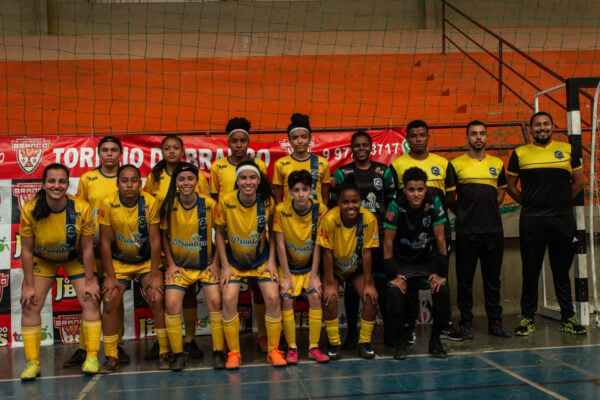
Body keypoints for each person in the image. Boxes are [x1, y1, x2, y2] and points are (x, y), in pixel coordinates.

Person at [506, 111, 586, 336]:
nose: (542, 128)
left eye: (546, 124)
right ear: (531, 129)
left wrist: (561, 201)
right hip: (532, 221)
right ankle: (527, 318)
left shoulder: (568, 150)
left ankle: (568, 318)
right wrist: (528, 202)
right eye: (537, 125)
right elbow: (510, 185)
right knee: (530, 271)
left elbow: (579, 182)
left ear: (553, 126)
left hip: (561, 220)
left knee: (561, 272)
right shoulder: (520, 153)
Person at [19, 164, 102, 380]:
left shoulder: (81, 208)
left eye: (62, 181)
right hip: (44, 260)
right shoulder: (30, 209)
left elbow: (86, 248)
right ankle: (32, 363)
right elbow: (26, 251)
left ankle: (92, 357)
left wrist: (91, 281)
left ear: (67, 184)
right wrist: (28, 285)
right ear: (44, 184)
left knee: (91, 299)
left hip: (73, 258)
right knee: (30, 303)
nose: (57, 186)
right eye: (52, 181)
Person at [383, 119, 462, 342]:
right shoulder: (397, 165)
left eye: (422, 135)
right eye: (414, 136)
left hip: (437, 229)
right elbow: (391, 199)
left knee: (440, 281)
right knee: (410, 283)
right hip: (407, 236)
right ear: (407, 139)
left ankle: (444, 327)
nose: (418, 139)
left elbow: (447, 197)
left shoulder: (443, 163)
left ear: (428, 137)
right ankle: (408, 328)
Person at [65, 136, 130, 369]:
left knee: (114, 296)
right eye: (105, 150)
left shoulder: (126, 179)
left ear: (120, 153)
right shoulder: (88, 178)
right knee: (90, 296)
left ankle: (117, 345)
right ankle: (85, 347)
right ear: (99, 154)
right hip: (91, 246)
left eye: (114, 150)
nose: (109, 154)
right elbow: (79, 211)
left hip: (118, 247)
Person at [215, 160, 286, 369]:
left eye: (252, 177)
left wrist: (272, 261)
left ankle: (274, 350)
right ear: (237, 180)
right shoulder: (226, 201)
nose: (248, 182)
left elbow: (273, 233)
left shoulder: (267, 202)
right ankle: (234, 353)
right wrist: (225, 266)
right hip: (234, 262)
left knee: (273, 297)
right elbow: (218, 234)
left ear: (258, 180)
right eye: (243, 178)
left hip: (261, 260)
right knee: (228, 298)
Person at [144, 135, 209, 359]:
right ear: (162, 151)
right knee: (161, 295)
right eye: (167, 148)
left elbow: (205, 209)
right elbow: (148, 204)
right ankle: (163, 341)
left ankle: (189, 339)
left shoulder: (193, 175)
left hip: (188, 242)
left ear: (182, 150)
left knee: (189, 291)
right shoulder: (155, 176)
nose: (171, 151)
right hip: (162, 241)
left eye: (175, 148)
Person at [98, 165, 167, 373]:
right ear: (117, 183)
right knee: (109, 299)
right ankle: (111, 355)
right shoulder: (107, 203)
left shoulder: (150, 202)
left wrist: (155, 274)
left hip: (145, 262)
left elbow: (155, 240)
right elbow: (104, 243)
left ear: (140, 183)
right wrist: (110, 276)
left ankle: (164, 351)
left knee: (156, 295)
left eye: (134, 180)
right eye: (125, 181)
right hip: (119, 262)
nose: (130, 185)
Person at [209, 117, 269, 353]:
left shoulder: (259, 167)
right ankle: (227, 339)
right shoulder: (218, 168)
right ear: (229, 143)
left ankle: (264, 334)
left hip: (254, 237)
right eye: (234, 141)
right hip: (228, 238)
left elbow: (265, 200)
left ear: (248, 142)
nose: (239, 145)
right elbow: (215, 202)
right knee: (228, 288)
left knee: (259, 286)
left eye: (243, 140)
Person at [447, 120, 511, 339]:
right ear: (467, 138)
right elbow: (450, 199)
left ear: (486, 137)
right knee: (465, 280)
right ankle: (466, 323)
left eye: (482, 134)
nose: (478, 137)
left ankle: (495, 322)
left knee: (492, 280)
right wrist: (465, 213)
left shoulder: (497, 164)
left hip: (493, 231)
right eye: (474, 134)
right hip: (467, 232)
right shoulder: (455, 164)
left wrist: (489, 209)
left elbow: (501, 194)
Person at [161, 162, 226, 371]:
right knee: (171, 304)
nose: (186, 183)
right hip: (179, 267)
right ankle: (178, 354)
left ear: (197, 181)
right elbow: (162, 236)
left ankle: (218, 351)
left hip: (205, 265)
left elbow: (221, 234)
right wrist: (170, 264)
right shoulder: (169, 205)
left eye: (190, 179)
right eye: (181, 179)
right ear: (176, 182)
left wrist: (216, 262)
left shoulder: (209, 204)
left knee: (216, 300)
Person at [331, 130, 392, 348]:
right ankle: (351, 335)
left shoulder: (382, 171)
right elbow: (333, 204)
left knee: (380, 285)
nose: (361, 149)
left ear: (371, 147)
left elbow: (392, 202)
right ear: (351, 149)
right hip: (352, 238)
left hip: (380, 235)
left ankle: (388, 333)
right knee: (352, 287)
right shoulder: (343, 173)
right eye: (357, 146)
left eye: (365, 145)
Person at [383, 167, 451, 360]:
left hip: (426, 260)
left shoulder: (434, 201)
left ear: (425, 188)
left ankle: (435, 341)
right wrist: (393, 276)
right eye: (411, 190)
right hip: (402, 260)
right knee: (394, 294)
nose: (416, 194)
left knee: (443, 291)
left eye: (420, 189)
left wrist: (441, 273)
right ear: (405, 190)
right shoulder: (395, 205)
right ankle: (401, 341)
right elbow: (387, 243)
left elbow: (440, 239)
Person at [317, 176, 379, 360]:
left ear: (361, 201)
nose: (350, 206)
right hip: (334, 268)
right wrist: (329, 283)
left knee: (370, 298)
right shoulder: (329, 219)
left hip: (356, 268)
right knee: (330, 298)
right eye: (345, 202)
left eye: (354, 201)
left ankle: (365, 343)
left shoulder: (369, 219)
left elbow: (367, 253)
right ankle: (335, 344)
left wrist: (368, 283)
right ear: (338, 202)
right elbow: (326, 253)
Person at [275, 170, 330, 364]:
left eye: (304, 190)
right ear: (289, 192)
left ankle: (313, 347)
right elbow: (280, 245)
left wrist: (314, 275)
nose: (300, 194)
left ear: (311, 190)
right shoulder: (281, 209)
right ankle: (292, 348)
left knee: (315, 296)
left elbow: (318, 244)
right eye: (296, 190)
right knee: (287, 299)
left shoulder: (320, 209)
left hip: (310, 267)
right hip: (288, 267)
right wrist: (287, 277)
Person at [273, 113, 330, 205]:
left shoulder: (322, 163)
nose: (300, 141)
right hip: (290, 216)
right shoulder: (280, 164)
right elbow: (278, 198)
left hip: (315, 215)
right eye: (295, 138)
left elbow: (325, 197)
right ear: (289, 140)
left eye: (304, 137)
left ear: (310, 139)